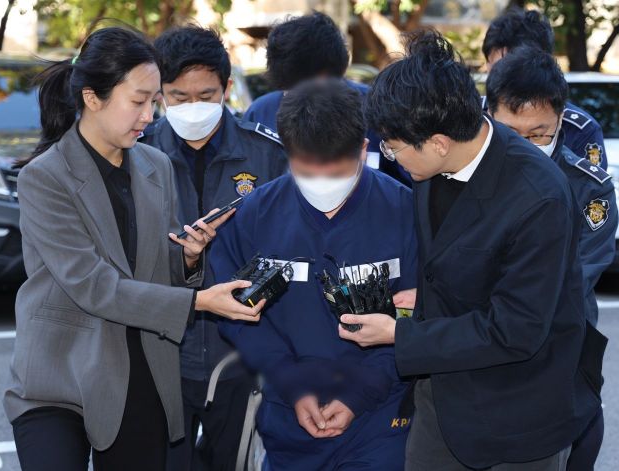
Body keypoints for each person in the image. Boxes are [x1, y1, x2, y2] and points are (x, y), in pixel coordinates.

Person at [341, 30, 605, 470]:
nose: (390, 155)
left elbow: (515, 329)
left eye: (394, 145)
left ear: (440, 142)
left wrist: (398, 335)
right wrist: (422, 300)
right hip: (440, 401)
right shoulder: (434, 165)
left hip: (517, 414)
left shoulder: (537, 196)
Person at [4, 27, 264, 471]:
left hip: (140, 367)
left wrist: (186, 257)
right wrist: (199, 301)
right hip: (58, 376)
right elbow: (93, 285)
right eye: (138, 101)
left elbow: (152, 267)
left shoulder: (154, 165)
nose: (149, 115)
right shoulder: (44, 177)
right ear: (92, 98)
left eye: (153, 102)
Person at [211, 79, 418, 470]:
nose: (322, 183)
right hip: (289, 419)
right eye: (308, 170)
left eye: (336, 171)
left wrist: (360, 393)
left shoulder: (405, 212)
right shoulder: (255, 215)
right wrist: (292, 382)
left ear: (362, 149)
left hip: (382, 421)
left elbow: (418, 314)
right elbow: (237, 314)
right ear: (287, 155)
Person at [141, 25, 287, 471]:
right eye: (178, 97)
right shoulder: (139, 154)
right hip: (159, 355)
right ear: (160, 95)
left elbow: (292, 249)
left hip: (241, 357)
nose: (192, 107)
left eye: (205, 94)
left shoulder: (267, 157)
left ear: (226, 88)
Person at [486, 46, 617, 471]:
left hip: (561, 342)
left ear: (561, 119)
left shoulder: (587, 187)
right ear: (488, 117)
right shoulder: (463, 174)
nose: (526, 145)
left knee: (575, 435)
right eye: (512, 133)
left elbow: (580, 271)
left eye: (540, 133)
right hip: (478, 347)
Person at [243, 11, 410, 185]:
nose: (300, 103)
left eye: (307, 90)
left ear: (332, 74)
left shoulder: (378, 108)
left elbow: (408, 186)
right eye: (290, 91)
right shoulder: (260, 114)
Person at [482, 8, 608, 170]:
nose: (510, 78)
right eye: (500, 67)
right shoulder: (468, 119)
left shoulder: (580, 130)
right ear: (487, 66)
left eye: (537, 135)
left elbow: (589, 189)